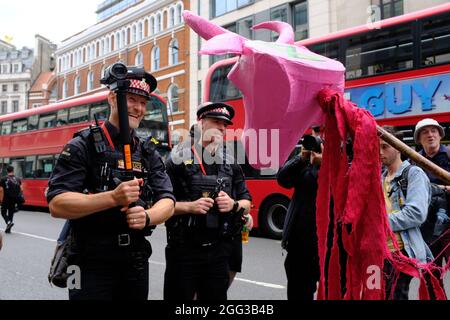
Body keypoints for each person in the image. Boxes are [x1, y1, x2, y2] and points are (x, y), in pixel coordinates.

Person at [47, 65, 175, 300]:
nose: (139, 108)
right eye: (132, 99)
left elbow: (168, 200)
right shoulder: (81, 146)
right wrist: (112, 198)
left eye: (143, 102)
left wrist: (147, 216)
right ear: (112, 98)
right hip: (87, 261)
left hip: (135, 261)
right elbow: (57, 204)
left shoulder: (147, 152)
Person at [163, 101, 252, 300]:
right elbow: (158, 205)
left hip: (219, 251)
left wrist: (234, 204)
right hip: (184, 251)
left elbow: (247, 201)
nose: (221, 127)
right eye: (216, 121)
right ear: (201, 122)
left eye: (225, 124)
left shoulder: (230, 161)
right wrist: (190, 207)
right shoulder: (177, 159)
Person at [380, 126, 433, 300]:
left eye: (385, 146)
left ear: (398, 147)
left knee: (395, 296)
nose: (380, 152)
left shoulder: (414, 174)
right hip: (380, 250)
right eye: (377, 148)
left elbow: (416, 213)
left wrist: (379, 223)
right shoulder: (380, 177)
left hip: (401, 250)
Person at [277, 135, 323, 300]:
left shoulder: (343, 157)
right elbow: (283, 179)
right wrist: (301, 157)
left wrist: (325, 163)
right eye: (316, 131)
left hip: (329, 242)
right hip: (300, 242)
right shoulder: (305, 162)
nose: (318, 137)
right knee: (298, 292)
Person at [414, 118, 450, 265]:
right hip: (427, 228)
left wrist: (440, 189)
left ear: (440, 135)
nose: (430, 135)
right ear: (418, 139)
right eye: (425, 132)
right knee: (431, 275)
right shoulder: (413, 162)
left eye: (434, 131)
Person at [0, 166, 22, 234]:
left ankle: (8, 222)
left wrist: (0, 200)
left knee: (3, 212)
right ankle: (8, 229)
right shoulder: (18, 179)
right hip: (14, 198)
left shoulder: (3, 179)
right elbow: (21, 189)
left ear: (7, 171)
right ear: (13, 170)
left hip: (6, 198)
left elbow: (1, 190)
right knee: (11, 213)